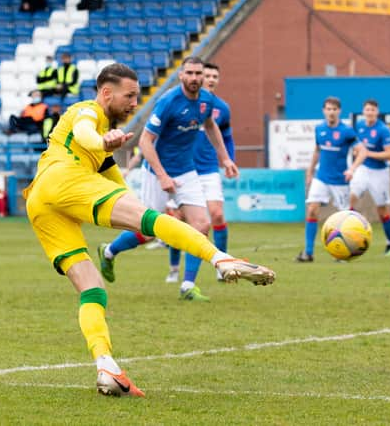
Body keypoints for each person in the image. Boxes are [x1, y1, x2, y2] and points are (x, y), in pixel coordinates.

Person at [23, 62, 275, 397]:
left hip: (39, 202)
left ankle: (106, 366)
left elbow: (123, 191)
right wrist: (101, 141)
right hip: (63, 179)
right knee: (153, 219)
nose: (134, 103)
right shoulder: (87, 111)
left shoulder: (103, 151)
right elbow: (86, 132)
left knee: (92, 288)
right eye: (129, 96)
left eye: (137, 97)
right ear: (106, 92)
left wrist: (104, 149)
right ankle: (220, 259)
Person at [98, 57, 242, 302]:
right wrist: (163, 175)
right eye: (190, 73)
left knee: (201, 225)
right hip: (156, 172)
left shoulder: (207, 100)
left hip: (186, 171)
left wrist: (225, 158)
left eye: (199, 73)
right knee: (149, 231)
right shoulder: (168, 102)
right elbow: (145, 141)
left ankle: (188, 285)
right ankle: (109, 251)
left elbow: (210, 126)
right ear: (181, 75)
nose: (195, 78)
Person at [167, 62, 235, 284]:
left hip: (207, 168)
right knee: (178, 222)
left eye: (215, 76)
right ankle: (174, 268)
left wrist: (228, 160)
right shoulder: (183, 102)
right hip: (183, 169)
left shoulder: (221, 108)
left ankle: (222, 265)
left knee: (216, 215)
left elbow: (226, 136)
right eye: (207, 75)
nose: (211, 79)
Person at [295, 97, 367, 262]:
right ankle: (308, 252)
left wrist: (352, 169)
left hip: (340, 181)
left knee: (344, 218)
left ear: (339, 111)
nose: (331, 112)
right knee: (312, 209)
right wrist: (310, 171)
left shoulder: (347, 131)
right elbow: (317, 151)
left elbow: (362, 152)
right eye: (328, 109)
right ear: (324, 110)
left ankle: (344, 252)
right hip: (321, 177)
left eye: (334, 109)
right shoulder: (319, 129)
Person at [349, 99, 390, 256]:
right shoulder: (360, 126)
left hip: (379, 173)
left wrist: (368, 153)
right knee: (351, 197)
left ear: (377, 112)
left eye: (372, 110)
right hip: (363, 169)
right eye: (367, 110)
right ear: (363, 111)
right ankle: (347, 237)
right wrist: (357, 155)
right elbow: (356, 148)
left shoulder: (383, 130)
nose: (369, 112)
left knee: (382, 210)